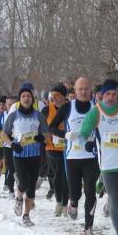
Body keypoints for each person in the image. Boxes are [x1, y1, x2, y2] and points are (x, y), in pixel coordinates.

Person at [76, 78, 118, 235]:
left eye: (114, 94)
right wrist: (85, 144)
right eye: (107, 94)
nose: (111, 97)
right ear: (102, 95)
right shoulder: (95, 112)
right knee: (112, 198)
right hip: (107, 164)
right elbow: (82, 134)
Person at [49, 77, 99, 235]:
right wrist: (65, 134)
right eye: (80, 89)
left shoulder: (96, 108)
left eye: (86, 88)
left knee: (90, 190)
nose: (83, 91)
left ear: (90, 90)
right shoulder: (67, 108)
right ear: (75, 91)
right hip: (72, 157)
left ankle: (88, 226)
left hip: (91, 156)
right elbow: (51, 127)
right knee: (75, 192)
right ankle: (74, 202)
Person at [1, 84, 50, 226]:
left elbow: (47, 135)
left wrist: (42, 138)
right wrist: (12, 144)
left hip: (35, 156)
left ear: (32, 99)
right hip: (19, 155)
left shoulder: (38, 115)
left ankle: (26, 215)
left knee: (32, 187)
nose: (26, 98)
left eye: (28, 96)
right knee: (24, 183)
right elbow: (3, 134)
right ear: (19, 99)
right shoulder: (14, 115)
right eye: (23, 96)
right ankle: (18, 198)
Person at [42, 84, 69, 216]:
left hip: (70, 148)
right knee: (58, 176)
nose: (55, 99)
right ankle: (60, 202)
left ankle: (65, 203)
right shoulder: (47, 110)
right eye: (53, 96)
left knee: (66, 176)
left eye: (58, 96)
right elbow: (41, 127)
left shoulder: (71, 107)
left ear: (65, 96)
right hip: (52, 148)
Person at [0, 95, 17, 197]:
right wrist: (0, 136)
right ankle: (11, 190)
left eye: (12, 105)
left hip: (21, 145)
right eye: (8, 105)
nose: (10, 107)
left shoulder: (20, 114)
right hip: (8, 146)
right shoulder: (3, 115)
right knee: (11, 169)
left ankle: (23, 188)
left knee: (20, 169)